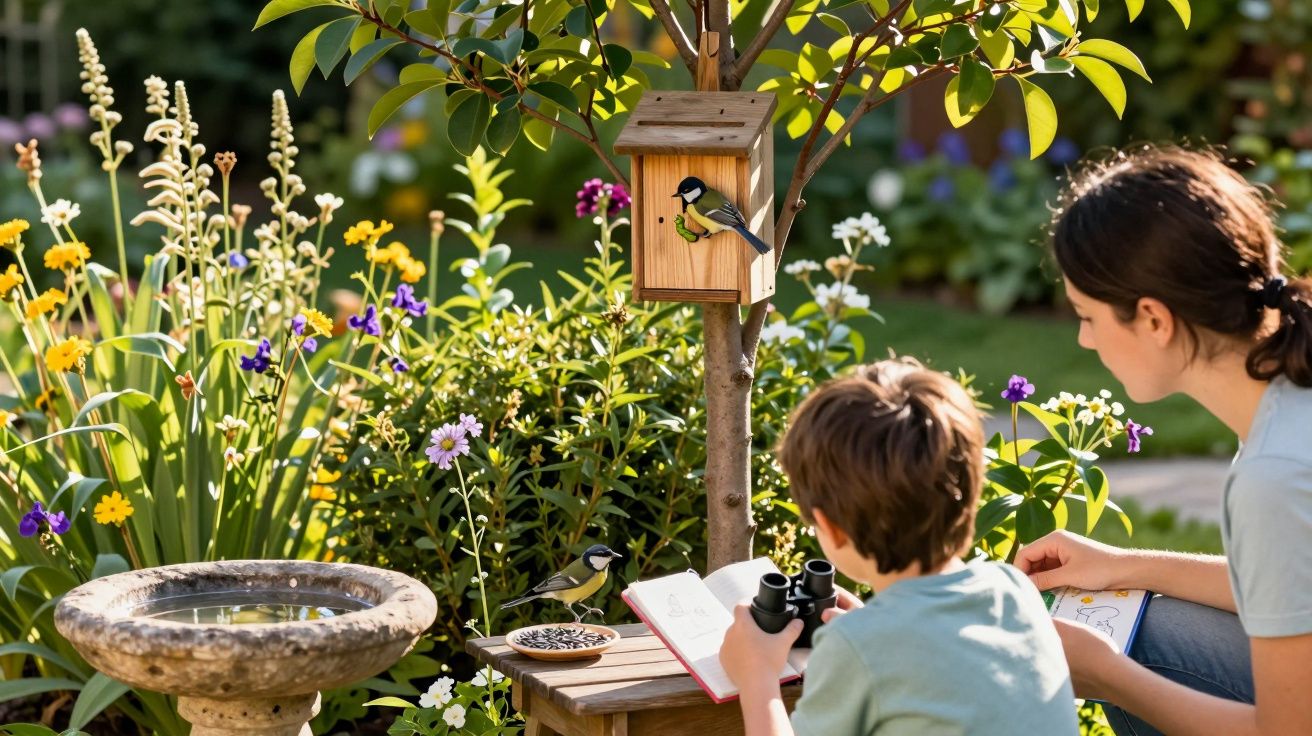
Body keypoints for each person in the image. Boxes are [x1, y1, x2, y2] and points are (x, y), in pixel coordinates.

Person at [1016, 145, 1312, 734]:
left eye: (1088, 316)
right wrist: (1123, 565)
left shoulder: (1274, 473)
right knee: (1143, 615)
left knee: (1133, 645)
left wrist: (1107, 675)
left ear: (1153, 318)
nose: (1083, 340)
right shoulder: (1287, 401)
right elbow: (1293, 582)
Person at [719, 358, 1077, 735]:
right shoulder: (1013, 589)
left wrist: (756, 674)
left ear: (831, 528)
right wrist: (873, 628)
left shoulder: (857, 650)